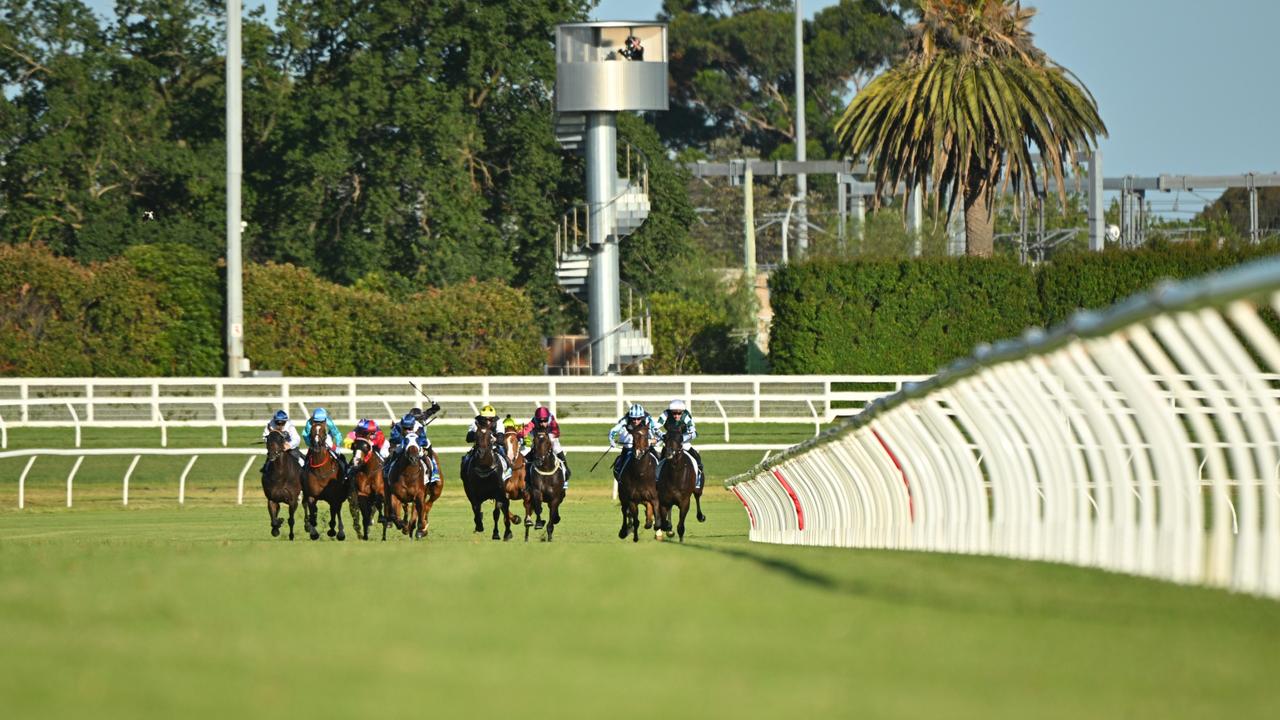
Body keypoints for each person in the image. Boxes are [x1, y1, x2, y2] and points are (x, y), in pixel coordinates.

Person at [388, 403, 442, 483]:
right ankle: (387, 470)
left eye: (419, 418)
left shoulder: (419, 424)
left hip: (418, 444)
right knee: (393, 455)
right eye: (405, 428)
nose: (407, 430)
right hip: (404, 444)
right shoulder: (400, 425)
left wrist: (435, 405)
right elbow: (394, 439)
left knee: (428, 450)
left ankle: (433, 471)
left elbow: (423, 440)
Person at [657, 399, 705, 488]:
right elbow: (655, 427)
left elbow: (693, 432)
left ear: (682, 412)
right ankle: (657, 479)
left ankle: (698, 479)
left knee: (697, 458)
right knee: (660, 461)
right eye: (674, 413)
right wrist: (662, 436)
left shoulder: (686, 416)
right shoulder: (666, 414)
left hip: (684, 442)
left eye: (679, 413)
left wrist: (681, 438)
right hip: (670, 442)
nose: (676, 415)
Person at [518, 406, 570, 487]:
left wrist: (548, 438)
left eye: (545, 421)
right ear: (536, 419)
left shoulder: (552, 420)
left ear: (548, 418)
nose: (542, 423)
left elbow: (557, 433)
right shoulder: (534, 420)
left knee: (555, 445)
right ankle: (528, 475)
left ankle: (566, 469)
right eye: (540, 421)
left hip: (550, 433)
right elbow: (526, 429)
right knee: (536, 445)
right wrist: (520, 434)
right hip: (537, 433)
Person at [608, 403, 660, 482]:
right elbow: (613, 431)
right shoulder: (625, 420)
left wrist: (661, 437)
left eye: (638, 419)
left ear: (642, 417)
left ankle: (659, 477)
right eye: (633, 419)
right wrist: (611, 440)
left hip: (646, 443)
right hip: (630, 445)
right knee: (622, 459)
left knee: (657, 458)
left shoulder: (648, 419)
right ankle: (620, 475)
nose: (636, 421)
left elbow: (655, 430)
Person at [461, 404, 511, 480]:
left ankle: (506, 478)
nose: (487, 422)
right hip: (479, 447)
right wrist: (478, 434)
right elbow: (468, 438)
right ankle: (465, 477)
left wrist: (495, 439)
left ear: (493, 418)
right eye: (485, 419)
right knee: (466, 459)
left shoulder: (498, 422)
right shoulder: (476, 422)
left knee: (507, 459)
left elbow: (501, 439)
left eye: (490, 419)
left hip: (494, 447)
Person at [302, 407, 349, 478]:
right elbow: (305, 435)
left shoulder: (328, 421)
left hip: (326, 437)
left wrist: (338, 445)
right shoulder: (309, 423)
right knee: (307, 457)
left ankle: (344, 471)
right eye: (316, 422)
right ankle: (304, 472)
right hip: (313, 439)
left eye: (321, 422)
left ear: (325, 420)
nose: (319, 423)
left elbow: (337, 433)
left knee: (335, 450)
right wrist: (311, 444)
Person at [260, 409, 303, 477]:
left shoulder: (289, 425)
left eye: (282, 423)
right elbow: (265, 437)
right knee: (268, 464)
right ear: (274, 421)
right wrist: (272, 443)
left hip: (290, 449)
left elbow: (297, 439)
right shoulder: (270, 425)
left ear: (285, 421)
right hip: (275, 449)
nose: (280, 425)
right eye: (277, 423)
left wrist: (289, 445)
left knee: (302, 462)